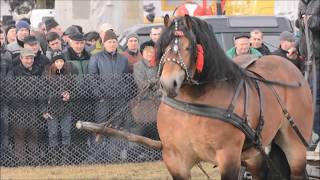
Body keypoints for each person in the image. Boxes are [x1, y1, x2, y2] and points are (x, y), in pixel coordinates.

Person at [88, 30, 130, 163]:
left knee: (117, 127)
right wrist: (99, 95)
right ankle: (99, 156)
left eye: (114, 42)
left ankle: (114, 155)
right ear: (104, 43)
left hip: (119, 99)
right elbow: (92, 78)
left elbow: (127, 78)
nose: (112, 44)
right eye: (109, 42)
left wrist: (124, 92)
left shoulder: (123, 59)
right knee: (100, 127)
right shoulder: (96, 58)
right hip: (103, 100)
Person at [8, 48, 42, 166]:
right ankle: (21, 162)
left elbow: (41, 90)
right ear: (21, 58)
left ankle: (35, 162)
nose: (29, 60)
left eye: (31, 58)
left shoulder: (38, 71)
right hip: (19, 109)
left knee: (34, 135)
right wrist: (19, 104)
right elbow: (10, 89)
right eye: (27, 58)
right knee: (20, 136)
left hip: (33, 108)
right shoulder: (14, 71)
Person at [42, 50, 77, 165]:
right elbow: (42, 94)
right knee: (53, 134)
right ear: (53, 63)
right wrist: (44, 110)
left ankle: (65, 160)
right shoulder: (46, 76)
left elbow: (75, 89)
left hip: (66, 109)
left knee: (66, 133)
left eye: (61, 61)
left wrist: (69, 95)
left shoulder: (69, 75)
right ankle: (53, 160)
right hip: (51, 109)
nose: (59, 63)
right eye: (57, 61)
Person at [295, 0, 320, 147]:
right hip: (307, 57)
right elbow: (301, 29)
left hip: (318, 57)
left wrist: (311, 20)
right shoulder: (301, 3)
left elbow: (313, 24)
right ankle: (308, 132)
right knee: (307, 97)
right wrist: (296, 48)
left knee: (315, 98)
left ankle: (315, 134)